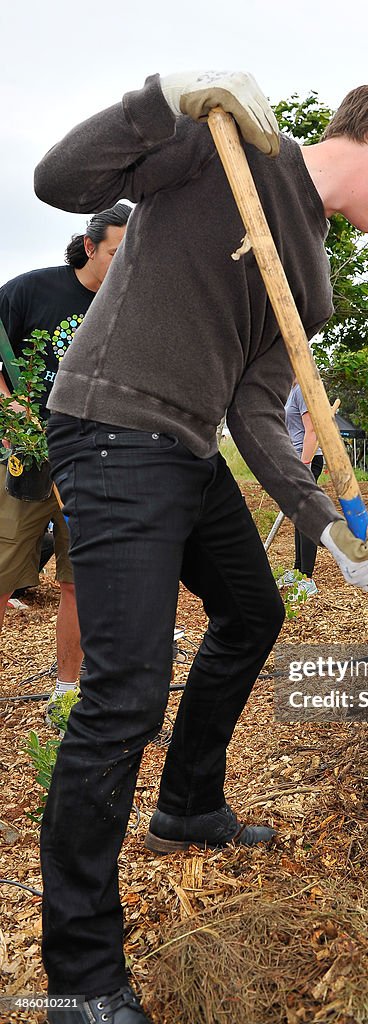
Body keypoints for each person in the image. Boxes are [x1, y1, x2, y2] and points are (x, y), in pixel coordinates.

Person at [34, 70, 368, 1023]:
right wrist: (161, 97)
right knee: (125, 690)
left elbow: (258, 412)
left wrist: (332, 529)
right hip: (109, 423)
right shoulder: (225, 144)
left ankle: (187, 806)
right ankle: (82, 977)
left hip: (186, 442)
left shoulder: (315, 272)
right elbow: (61, 179)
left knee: (255, 610)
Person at [0, 205, 131, 714]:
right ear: (90, 245)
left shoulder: (132, 304)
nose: (125, 265)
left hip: (96, 459)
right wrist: (12, 410)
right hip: (26, 457)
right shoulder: (30, 291)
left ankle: (67, 689)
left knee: (79, 581)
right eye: (117, 253)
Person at [278, 380, 324, 598]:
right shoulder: (291, 390)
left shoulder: (302, 390)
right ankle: (298, 570)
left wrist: (304, 464)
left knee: (306, 517)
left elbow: (312, 430)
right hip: (296, 459)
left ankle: (307, 578)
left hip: (308, 459)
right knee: (298, 517)